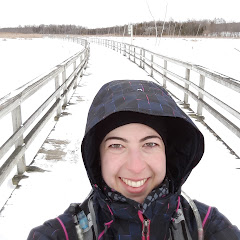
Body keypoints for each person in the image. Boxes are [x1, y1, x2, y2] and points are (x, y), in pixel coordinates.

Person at [27, 80, 240, 240]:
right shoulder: (59, 235)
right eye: (117, 146)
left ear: (168, 153)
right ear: (97, 157)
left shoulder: (208, 228)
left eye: (150, 144)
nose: (136, 167)